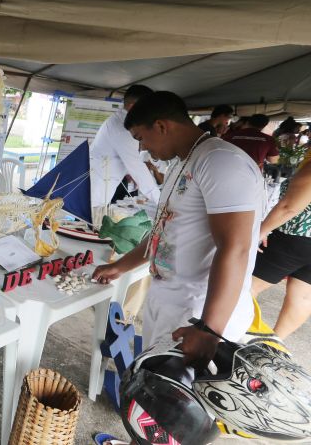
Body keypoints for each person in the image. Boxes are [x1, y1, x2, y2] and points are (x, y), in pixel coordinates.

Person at [92, 92, 262, 366]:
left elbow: (236, 248)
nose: (141, 149)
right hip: (170, 300)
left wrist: (209, 328)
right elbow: (163, 229)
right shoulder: (182, 162)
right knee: (154, 389)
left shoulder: (220, 161)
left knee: (181, 402)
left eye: (140, 138)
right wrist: (121, 266)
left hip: (198, 311)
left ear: (161, 126)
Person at [251, 150, 311, 338]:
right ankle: (271, 345)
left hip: (295, 237)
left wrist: (257, 233)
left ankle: (224, 336)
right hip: (302, 242)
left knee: (245, 286)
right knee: (303, 295)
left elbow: (289, 207)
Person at [90, 85, 160, 211]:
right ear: (133, 107)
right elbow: (138, 168)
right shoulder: (122, 128)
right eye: (147, 108)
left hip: (103, 186)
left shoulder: (122, 122)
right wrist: (162, 202)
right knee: (88, 223)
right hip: (96, 191)